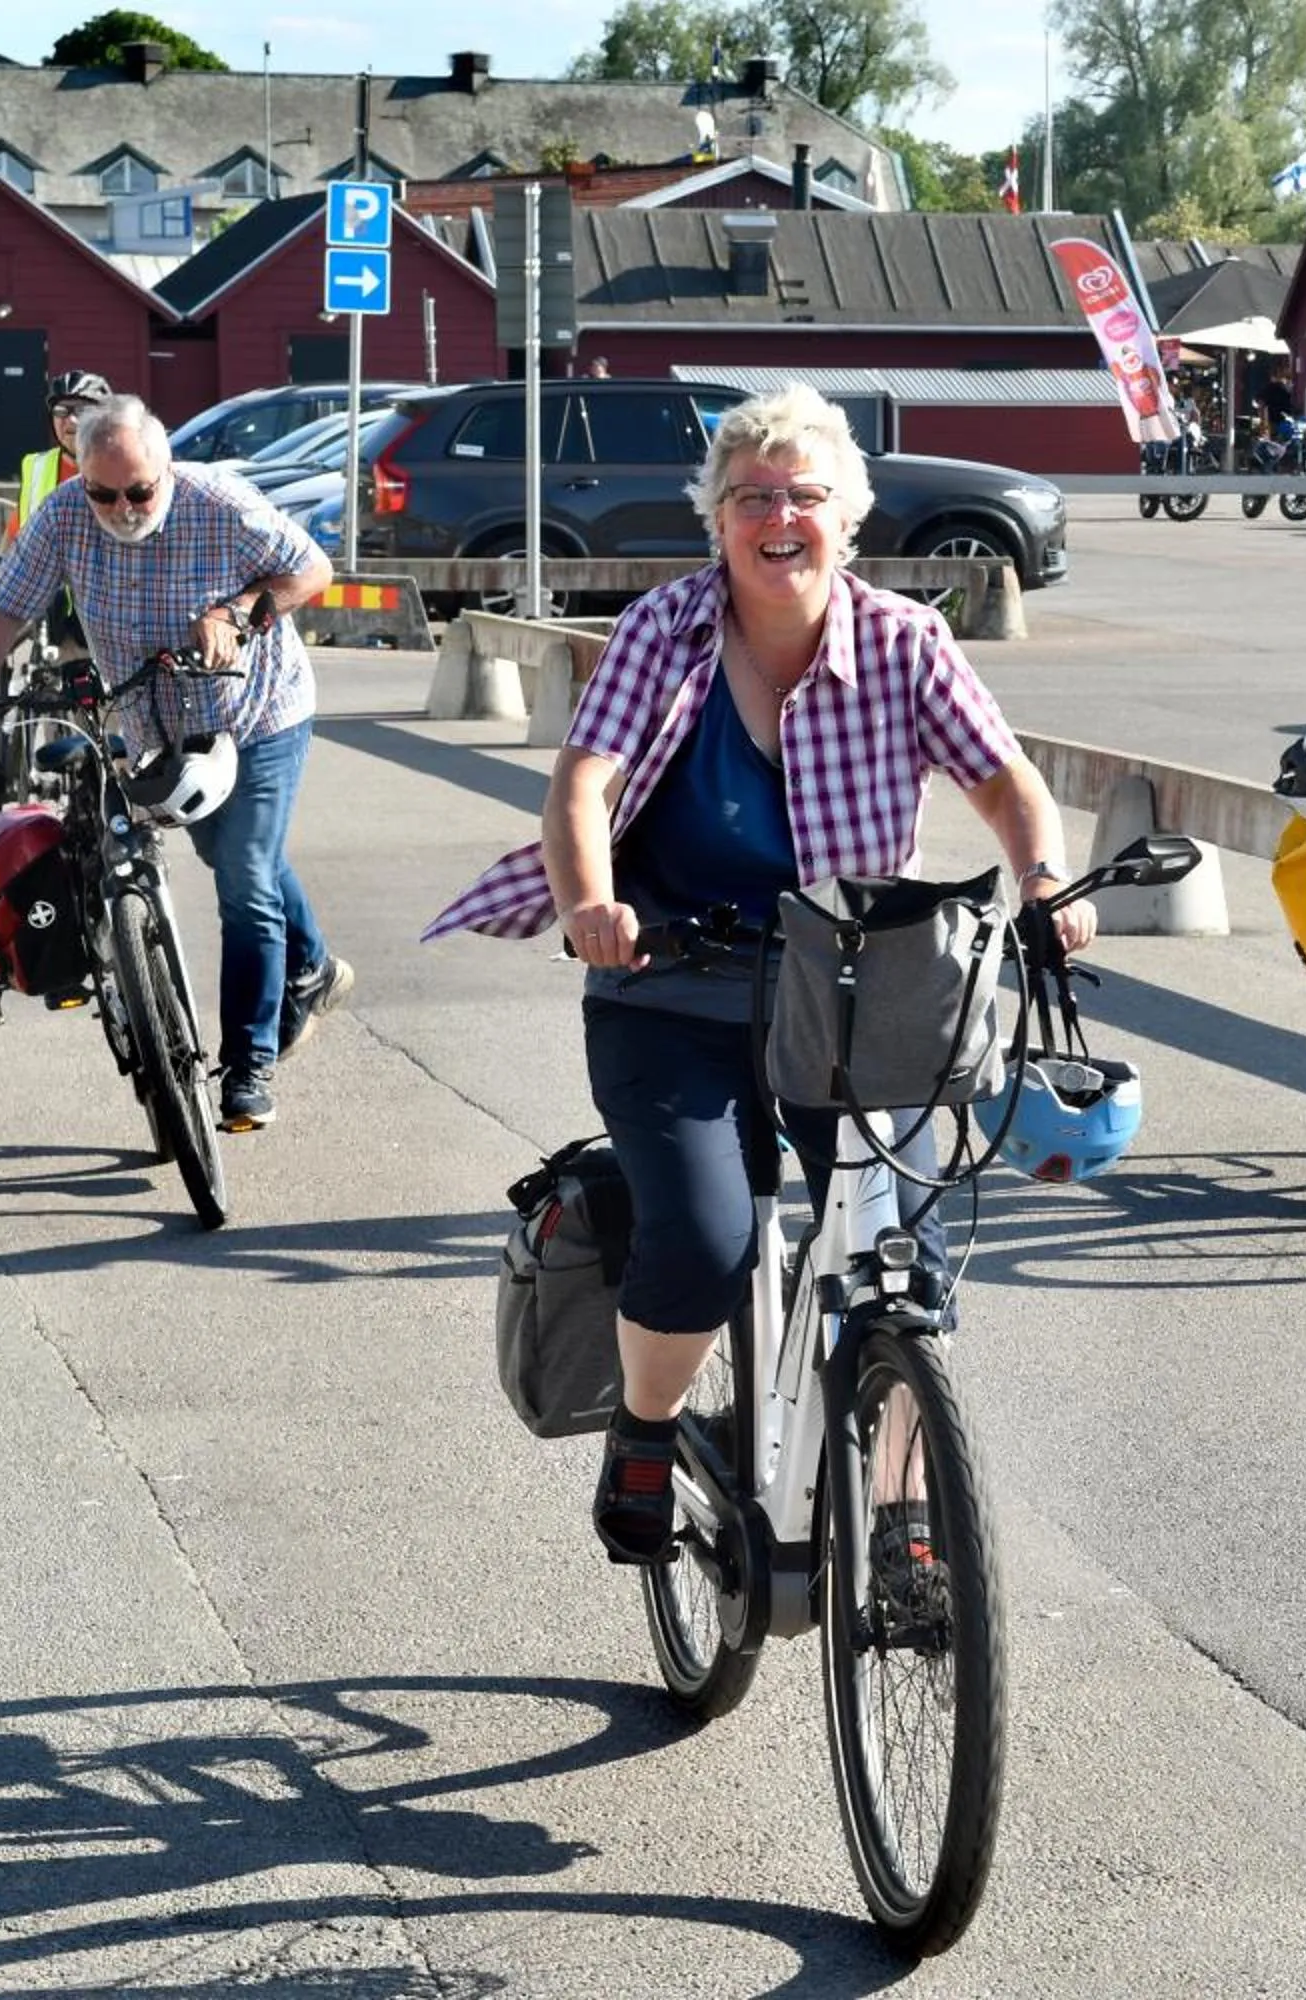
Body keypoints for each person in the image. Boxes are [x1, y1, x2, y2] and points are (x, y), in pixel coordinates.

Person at [423, 382, 1098, 1566]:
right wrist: (590, 901)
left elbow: (1004, 782)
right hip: (672, 981)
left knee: (907, 1263)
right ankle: (644, 1427)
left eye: (805, 496)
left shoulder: (905, 643)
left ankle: (899, 1523)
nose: (779, 517)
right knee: (706, 1231)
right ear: (716, 519)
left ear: (849, 514)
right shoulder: (662, 631)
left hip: (857, 992)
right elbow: (584, 781)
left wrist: (1043, 879)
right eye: (751, 498)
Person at [0, 395, 356, 1132]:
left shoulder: (217, 501)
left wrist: (238, 611)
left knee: (245, 875)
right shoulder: (66, 514)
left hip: (254, 716)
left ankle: (248, 1066)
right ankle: (312, 967)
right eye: (104, 492)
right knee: (233, 853)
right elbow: (3, 608)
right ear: (82, 477)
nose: (122, 507)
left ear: (165, 469)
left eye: (138, 491)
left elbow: (312, 569)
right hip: (151, 728)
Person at [12, 371, 109, 655]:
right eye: (61, 411)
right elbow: (16, 532)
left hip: (106, 614)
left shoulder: (119, 467)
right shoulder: (36, 466)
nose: (71, 420)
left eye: (83, 410)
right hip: (46, 609)